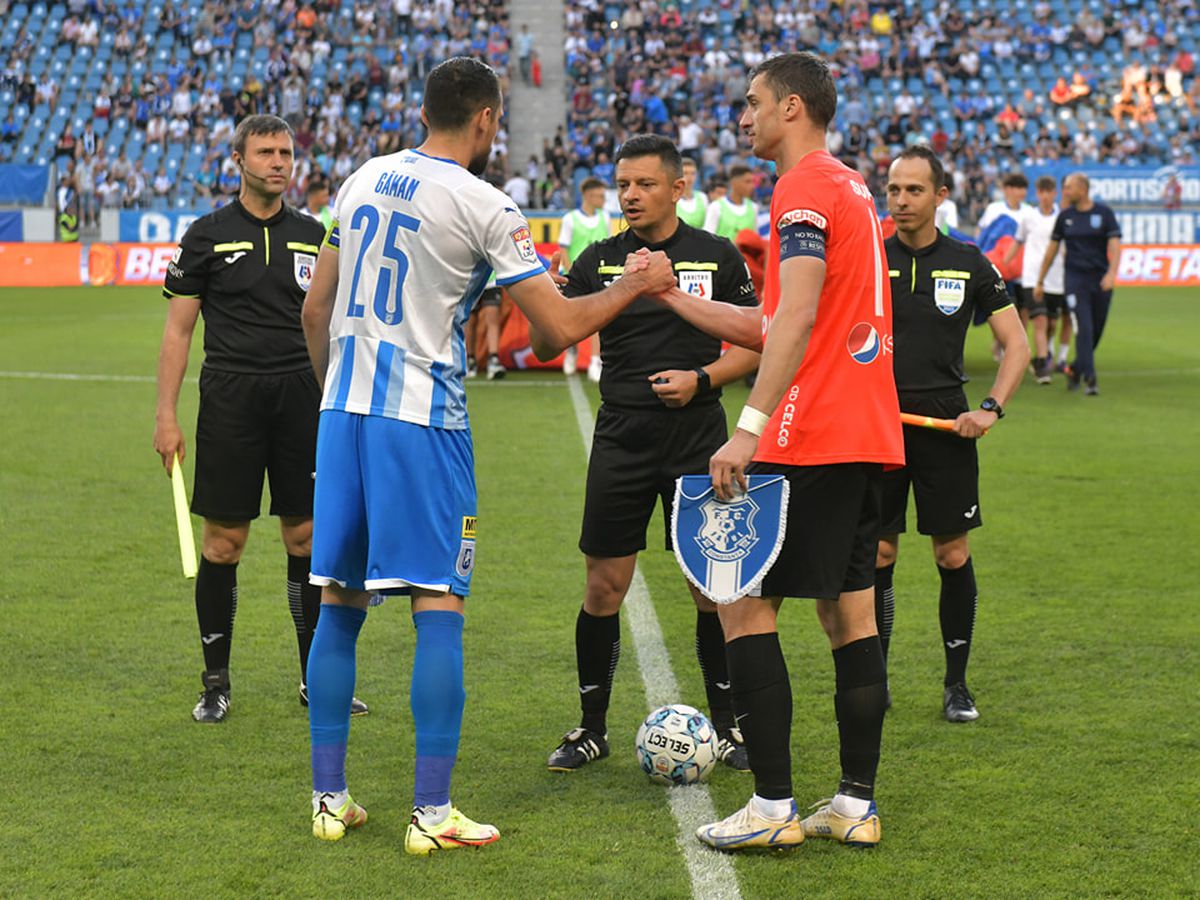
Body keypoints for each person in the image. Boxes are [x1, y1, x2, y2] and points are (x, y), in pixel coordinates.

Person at [299, 57, 675, 855]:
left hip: (342, 415)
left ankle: (329, 800)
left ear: (423, 110)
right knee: (439, 603)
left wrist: (338, 397)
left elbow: (314, 309)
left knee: (338, 601)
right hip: (421, 425)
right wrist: (634, 286)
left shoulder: (359, 180)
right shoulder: (484, 202)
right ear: (486, 120)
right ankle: (432, 814)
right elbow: (558, 330)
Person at [654, 52, 904, 851]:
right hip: (867, 432)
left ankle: (770, 809)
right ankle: (854, 805)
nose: (743, 115)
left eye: (753, 101)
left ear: (792, 107)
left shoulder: (801, 187)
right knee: (849, 614)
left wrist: (749, 427)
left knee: (740, 603)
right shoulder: (852, 187)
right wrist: (669, 293)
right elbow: (778, 322)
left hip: (811, 433)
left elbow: (792, 321)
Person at [545, 134, 760, 775]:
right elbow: (551, 337)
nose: (631, 195)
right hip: (622, 435)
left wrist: (703, 379)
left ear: (677, 187)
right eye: (623, 185)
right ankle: (591, 728)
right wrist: (555, 295)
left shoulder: (717, 255)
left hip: (699, 437)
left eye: (644, 184)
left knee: (710, 588)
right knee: (604, 585)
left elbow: (760, 342)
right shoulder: (599, 259)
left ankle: (729, 726)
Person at [154, 115, 367, 724]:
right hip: (231, 399)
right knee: (224, 544)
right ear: (239, 160)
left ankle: (314, 680)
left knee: (307, 540)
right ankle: (215, 683)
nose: (279, 162)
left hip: (302, 398)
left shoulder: (314, 234)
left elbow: (337, 323)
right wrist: (166, 415)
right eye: (266, 152)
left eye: (286, 153)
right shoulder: (206, 235)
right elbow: (178, 331)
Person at [875, 146, 1029, 726]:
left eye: (914, 190)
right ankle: (874, 679)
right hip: (879, 421)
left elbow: (1017, 344)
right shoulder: (868, 258)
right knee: (879, 553)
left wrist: (990, 408)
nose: (901, 200)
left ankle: (956, 684)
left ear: (940, 196)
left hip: (945, 422)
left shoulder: (968, 261)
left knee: (952, 553)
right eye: (894, 189)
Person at [1034, 173, 1121, 396]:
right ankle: (1090, 379)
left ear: (1083, 189)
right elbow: (1052, 250)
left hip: (1100, 281)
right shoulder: (1065, 217)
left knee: (1096, 332)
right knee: (1084, 328)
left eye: (1069, 188)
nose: (1065, 192)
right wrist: (1040, 280)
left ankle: (1075, 369)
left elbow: (1114, 245)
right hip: (1075, 281)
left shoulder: (1104, 213)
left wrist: (1112, 273)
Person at [1004, 175, 1067, 382]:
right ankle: (1042, 366)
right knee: (1040, 320)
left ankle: (1043, 355)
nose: (1046, 196)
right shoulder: (1029, 217)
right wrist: (1004, 262)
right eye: (1042, 192)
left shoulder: (1062, 218)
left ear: (1055, 194)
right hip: (1032, 277)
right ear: (1038, 193)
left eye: (1049, 192)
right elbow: (1018, 240)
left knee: (1052, 324)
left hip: (1056, 278)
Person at [557, 176, 611, 381]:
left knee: (598, 320)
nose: (603, 200)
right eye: (600, 196)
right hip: (575, 276)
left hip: (598, 275)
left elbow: (607, 245)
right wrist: (572, 274)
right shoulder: (570, 219)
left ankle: (595, 361)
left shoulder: (605, 217)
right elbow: (563, 249)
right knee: (573, 318)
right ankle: (571, 350)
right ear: (588, 196)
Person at [703, 162, 758, 240]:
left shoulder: (754, 207)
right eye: (747, 182)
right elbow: (707, 240)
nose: (752, 186)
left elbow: (755, 239)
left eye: (752, 182)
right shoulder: (716, 207)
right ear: (734, 183)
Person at [676, 156, 708, 229]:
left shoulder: (703, 197)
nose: (689, 177)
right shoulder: (671, 199)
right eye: (685, 173)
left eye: (693, 173)